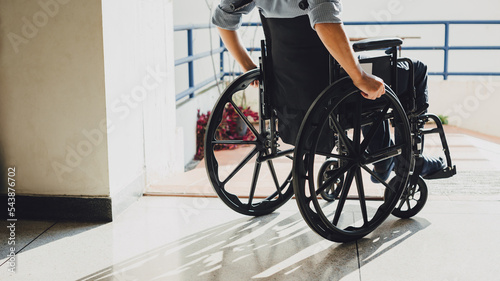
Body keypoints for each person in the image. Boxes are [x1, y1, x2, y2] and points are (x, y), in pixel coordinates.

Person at [212, 0, 444, 181]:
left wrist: (248, 66)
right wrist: (360, 77)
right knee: (415, 70)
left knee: (364, 80)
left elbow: (223, 19)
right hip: (329, 92)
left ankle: (383, 159)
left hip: (291, 92)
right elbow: (324, 23)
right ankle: (411, 161)